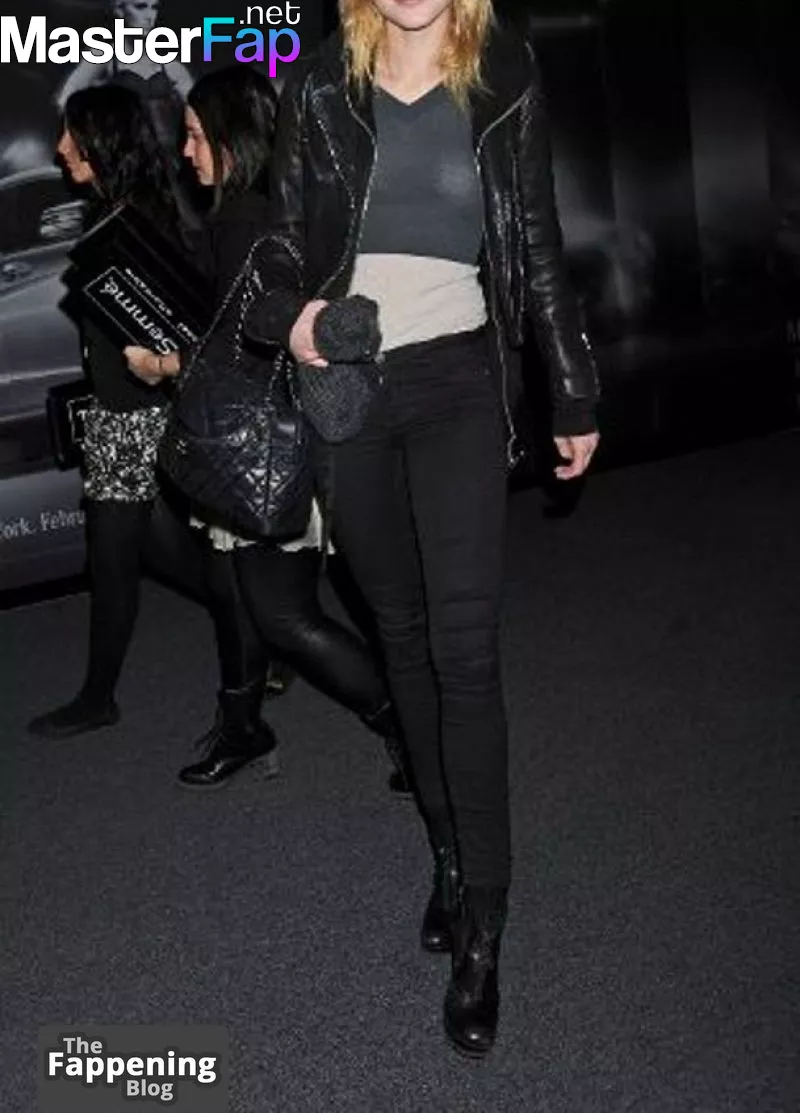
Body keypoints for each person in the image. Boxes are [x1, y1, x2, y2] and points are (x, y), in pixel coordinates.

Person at [246, 0, 601, 1057]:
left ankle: (483, 924)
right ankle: (446, 852)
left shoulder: (504, 73)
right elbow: (278, 243)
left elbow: (536, 243)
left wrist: (571, 385)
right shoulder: (319, 82)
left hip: (456, 383)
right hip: (348, 388)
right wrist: (293, 319)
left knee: (465, 652)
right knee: (397, 633)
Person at [123, 65, 411, 794]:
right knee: (232, 593)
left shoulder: (247, 225)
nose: (186, 152)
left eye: (196, 136)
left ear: (234, 140)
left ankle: (409, 727)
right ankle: (243, 726)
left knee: (284, 615)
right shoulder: (265, 215)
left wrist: (164, 365)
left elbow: (246, 347)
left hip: (269, 447)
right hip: (269, 438)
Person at [27, 85, 283, 779]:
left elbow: (184, 326)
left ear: (101, 142)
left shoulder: (142, 222)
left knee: (115, 558)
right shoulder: (119, 213)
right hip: (120, 416)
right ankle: (267, 630)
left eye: (72, 136)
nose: (60, 149)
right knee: (161, 556)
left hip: (138, 419)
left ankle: (98, 696)